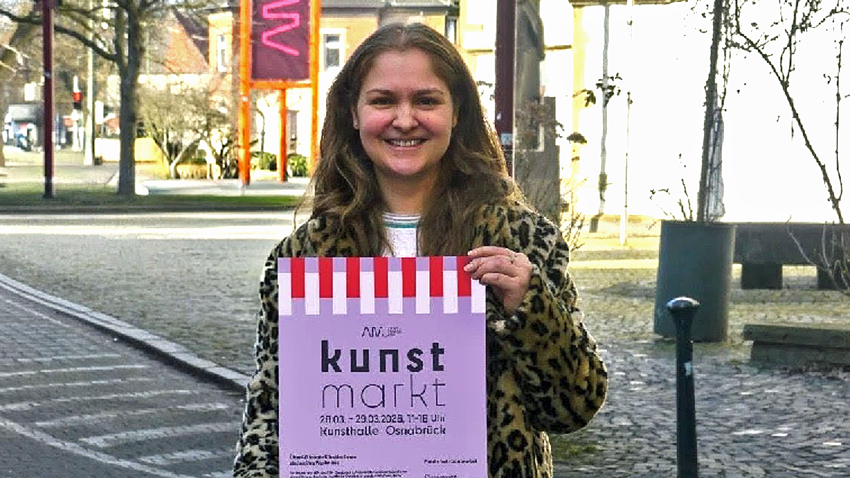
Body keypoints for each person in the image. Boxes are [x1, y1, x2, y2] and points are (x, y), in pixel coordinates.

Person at [233, 22, 607, 478]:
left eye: (427, 100)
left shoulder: (520, 241)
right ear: (353, 113)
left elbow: (574, 407)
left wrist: (530, 306)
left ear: (457, 112)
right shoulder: (305, 256)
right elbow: (269, 416)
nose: (405, 119)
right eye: (383, 100)